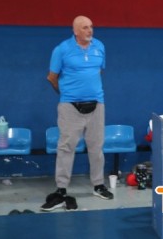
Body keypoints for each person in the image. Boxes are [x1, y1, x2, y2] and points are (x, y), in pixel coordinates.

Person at [42, 15, 114, 212]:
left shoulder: (100, 46)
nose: (90, 30)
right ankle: (61, 189)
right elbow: (52, 77)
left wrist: (89, 90)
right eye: (85, 28)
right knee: (66, 147)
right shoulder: (62, 49)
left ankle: (98, 185)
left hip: (97, 105)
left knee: (96, 147)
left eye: (91, 27)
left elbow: (98, 72)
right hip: (70, 107)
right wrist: (67, 94)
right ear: (75, 31)